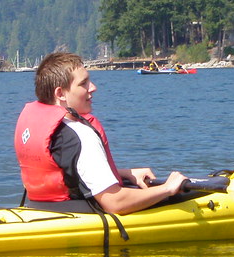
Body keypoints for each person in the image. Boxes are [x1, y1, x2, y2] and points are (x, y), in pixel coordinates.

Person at [14, 52, 186, 214]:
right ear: (60, 93)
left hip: (40, 207)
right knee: (183, 197)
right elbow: (115, 203)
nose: (93, 88)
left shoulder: (49, 128)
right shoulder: (80, 134)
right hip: (80, 214)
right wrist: (167, 188)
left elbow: (70, 172)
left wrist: (125, 174)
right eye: (83, 84)